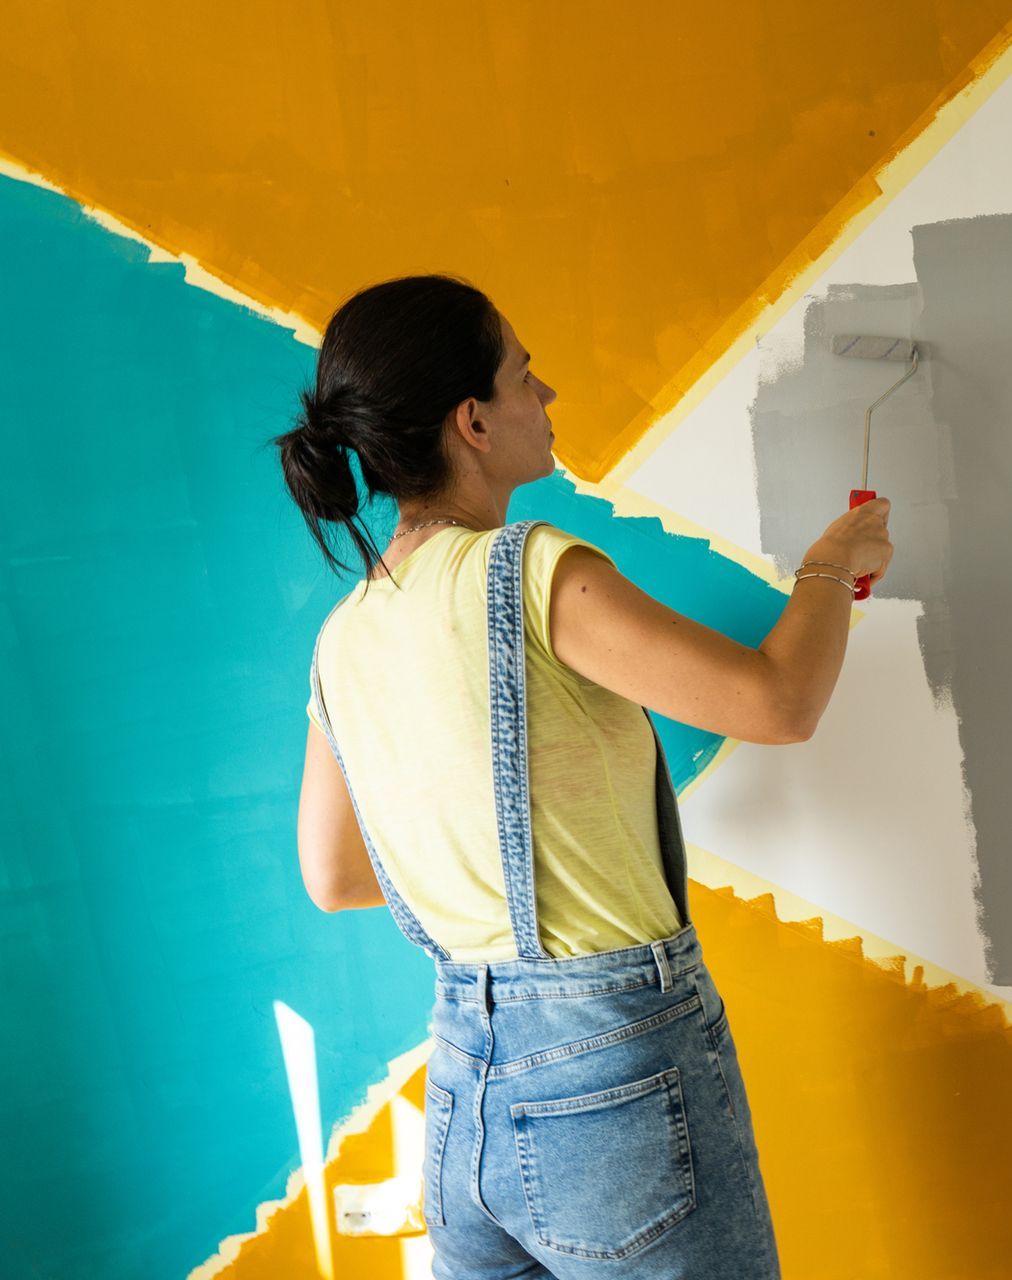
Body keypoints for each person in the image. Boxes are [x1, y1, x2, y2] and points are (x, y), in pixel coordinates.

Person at [274, 272, 891, 1278]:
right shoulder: (528, 569)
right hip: (609, 1079)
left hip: (465, 1092)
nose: (546, 393)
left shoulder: (345, 637)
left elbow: (334, 875)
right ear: (473, 420)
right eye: (525, 373)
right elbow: (780, 703)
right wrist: (830, 563)